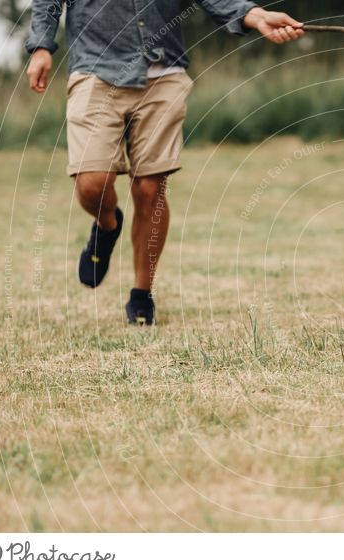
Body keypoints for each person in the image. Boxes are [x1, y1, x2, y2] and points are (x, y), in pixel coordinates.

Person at [25, 1, 304, 325]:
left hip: (164, 71)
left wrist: (255, 16)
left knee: (150, 188)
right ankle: (106, 224)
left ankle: (141, 294)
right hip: (95, 68)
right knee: (92, 183)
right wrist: (41, 46)